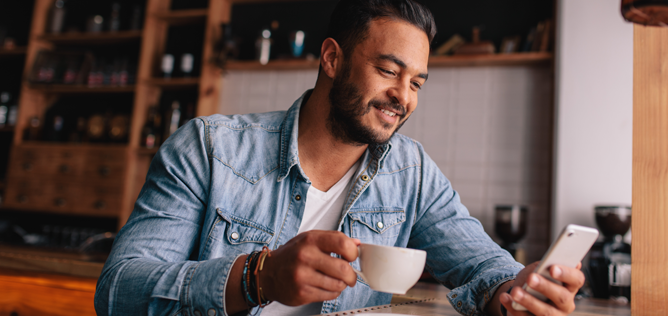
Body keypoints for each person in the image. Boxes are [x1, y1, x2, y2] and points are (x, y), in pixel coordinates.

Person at [95, 0, 585, 315]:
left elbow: (484, 266)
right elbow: (119, 291)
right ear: (331, 59)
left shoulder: (411, 172)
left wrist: (517, 296)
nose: (403, 96)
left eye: (416, 83)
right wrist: (257, 277)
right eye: (388, 71)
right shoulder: (208, 148)